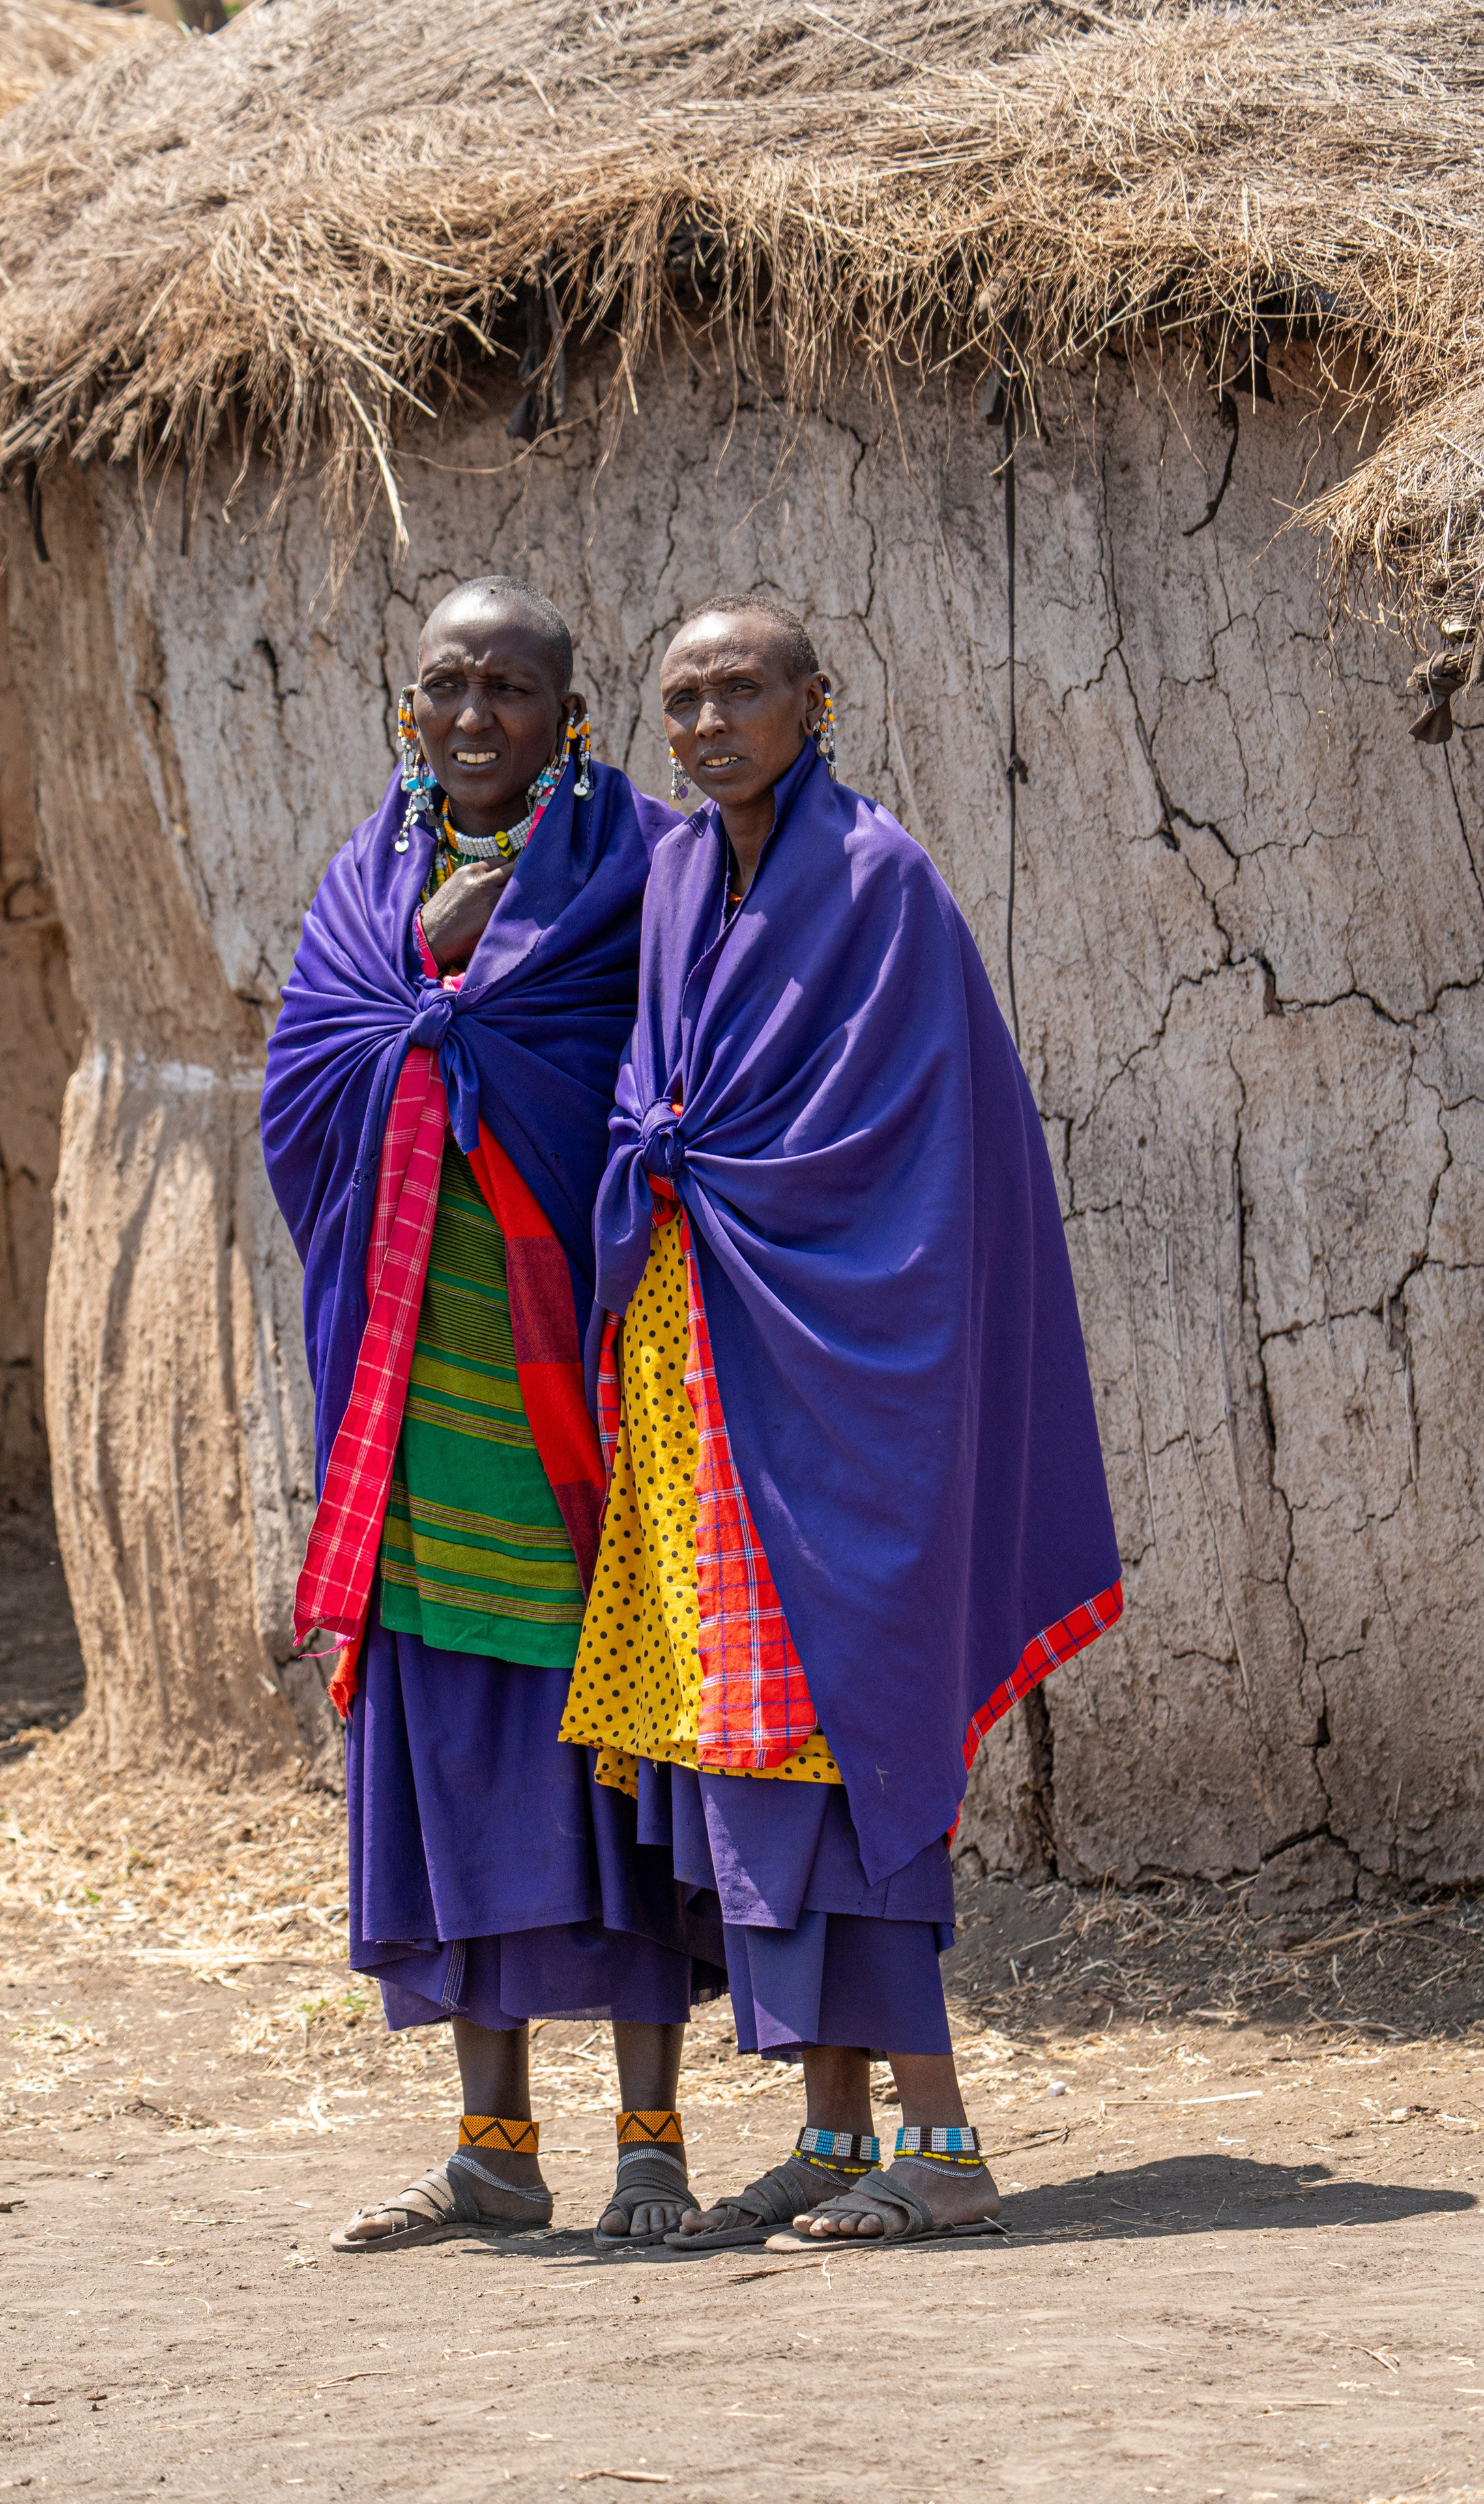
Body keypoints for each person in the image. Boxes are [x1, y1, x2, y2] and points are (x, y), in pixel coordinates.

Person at [557, 597, 1122, 2250]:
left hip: (839, 1391)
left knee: (845, 1742)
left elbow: (915, 1160)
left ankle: (940, 2140)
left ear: (815, 701)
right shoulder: (677, 876)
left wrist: (737, 1198)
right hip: (698, 1381)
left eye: (741, 690)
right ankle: (828, 2131)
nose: (707, 724)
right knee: (748, 1764)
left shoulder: (882, 882)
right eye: (680, 699)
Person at [262, 578, 723, 2253]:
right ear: (408, 707)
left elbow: (680, 1069)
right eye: (447, 685)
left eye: (510, 688)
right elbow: (304, 1086)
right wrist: (426, 998)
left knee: (614, 1747)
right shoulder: (366, 881)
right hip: (413, 1386)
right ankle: (492, 2148)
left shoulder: (641, 869)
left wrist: (473, 995)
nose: (473, 716)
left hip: (585, 1389)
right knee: (454, 1752)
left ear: (567, 715)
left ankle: (651, 2143)